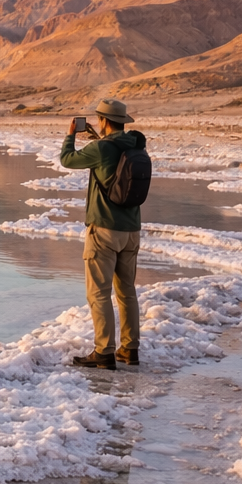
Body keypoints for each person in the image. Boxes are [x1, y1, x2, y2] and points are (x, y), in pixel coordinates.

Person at [60, 98, 147, 370]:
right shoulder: (136, 146)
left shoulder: (100, 149)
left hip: (104, 231)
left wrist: (70, 135)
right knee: (127, 292)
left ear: (103, 121)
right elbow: (113, 156)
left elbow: (67, 160)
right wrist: (99, 140)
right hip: (131, 231)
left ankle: (104, 351)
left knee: (99, 293)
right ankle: (130, 349)